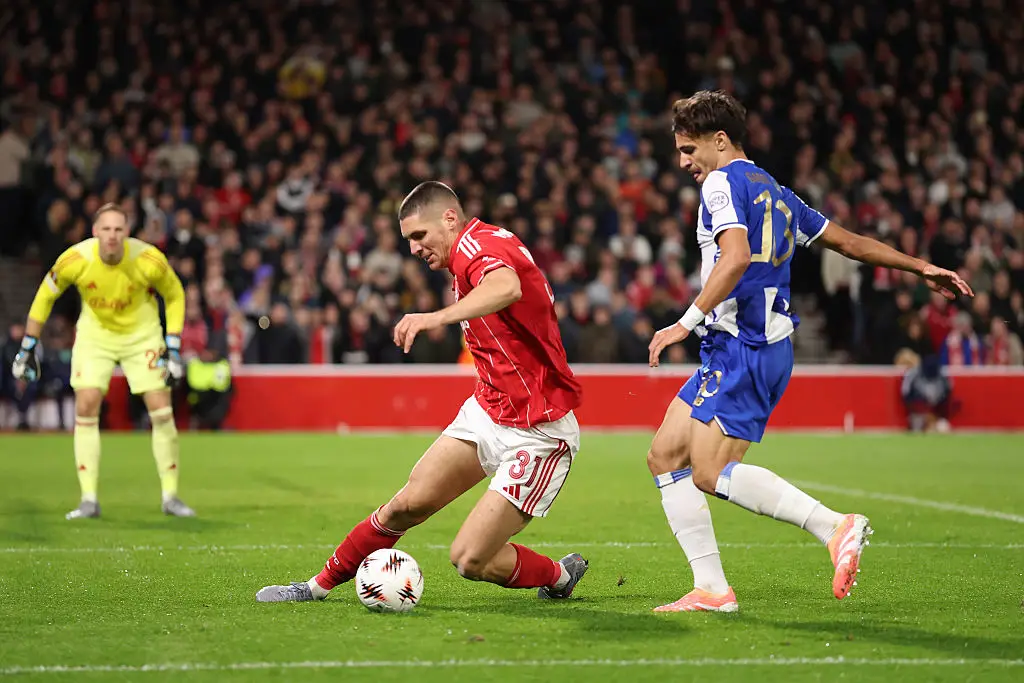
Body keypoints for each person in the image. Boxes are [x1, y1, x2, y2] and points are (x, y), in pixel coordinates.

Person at [645, 91, 973, 613]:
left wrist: (683, 322)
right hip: (744, 349)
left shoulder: (722, 184)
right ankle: (711, 589)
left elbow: (733, 259)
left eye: (689, 149)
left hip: (744, 349)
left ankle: (833, 526)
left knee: (708, 472)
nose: (683, 162)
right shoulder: (775, 191)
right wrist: (920, 266)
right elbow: (847, 242)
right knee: (665, 454)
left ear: (721, 141)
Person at [256, 181, 588, 603]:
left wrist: (437, 318)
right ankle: (315, 587)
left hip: (538, 431)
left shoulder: (476, 247)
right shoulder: (471, 252)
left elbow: (506, 287)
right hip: (487, 413)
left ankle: (558, 576)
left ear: (450, 218)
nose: (414, 249)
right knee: (404, 505)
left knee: (469, 559)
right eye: (408, 241)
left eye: (419, 236)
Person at [11, 203, 196, 519]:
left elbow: (175, 294)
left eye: (118, 230)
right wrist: (28, 345)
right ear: (95, 232)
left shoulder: (148, 259)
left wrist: (173, 345)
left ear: (127, 233)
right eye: (106, 229)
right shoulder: (76, 259)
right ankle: (88, 499)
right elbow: (45, 295)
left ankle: (170, 496)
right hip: (96, 335)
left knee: (161, 408)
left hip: (143, 335)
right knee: (86, 404)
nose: (112, 236)